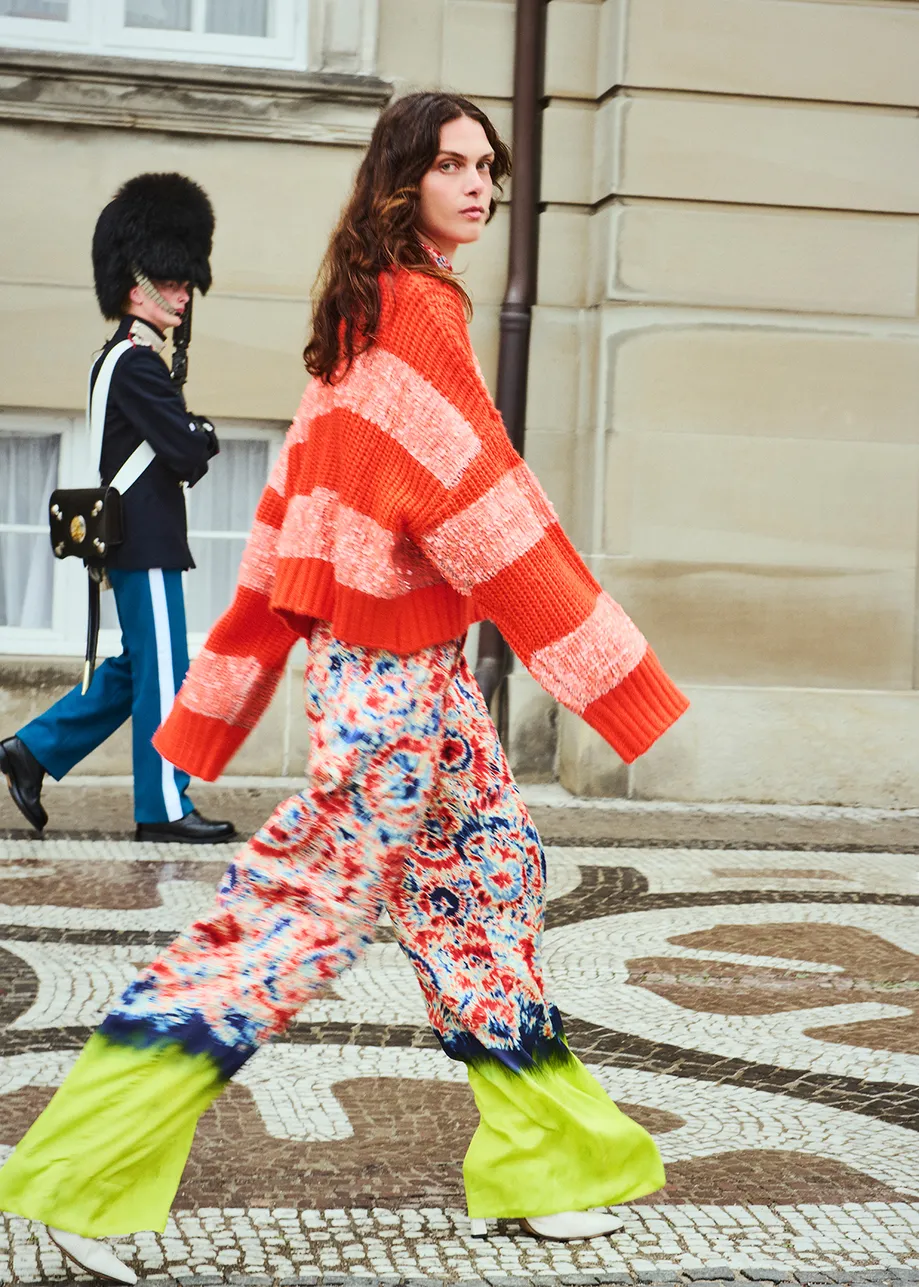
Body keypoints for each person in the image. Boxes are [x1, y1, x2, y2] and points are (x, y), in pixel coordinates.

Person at [0, 94, 688, 1281]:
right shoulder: (411, 315)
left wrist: (222, 689)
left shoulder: (361, 318)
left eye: (488, 167)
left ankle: (546, 1161)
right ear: (401, 182)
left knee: (488, 889)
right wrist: (614, 677)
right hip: (387, 691)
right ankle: (86, 1178)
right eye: (452, 166)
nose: (478, 187)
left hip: (417, 683)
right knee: (285, 927)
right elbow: (488, 509)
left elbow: (288, 524)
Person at [0, 173, 236, 845]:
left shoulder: (120, 358)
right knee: (164, 672)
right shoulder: (138, 364)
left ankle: (32, 750)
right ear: (140, 287)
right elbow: (188, 453)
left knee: (138, 665)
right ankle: (161, 808)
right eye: (176, 282)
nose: (186, 293)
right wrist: (205, 431)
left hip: (133, 537)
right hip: (147, 540)